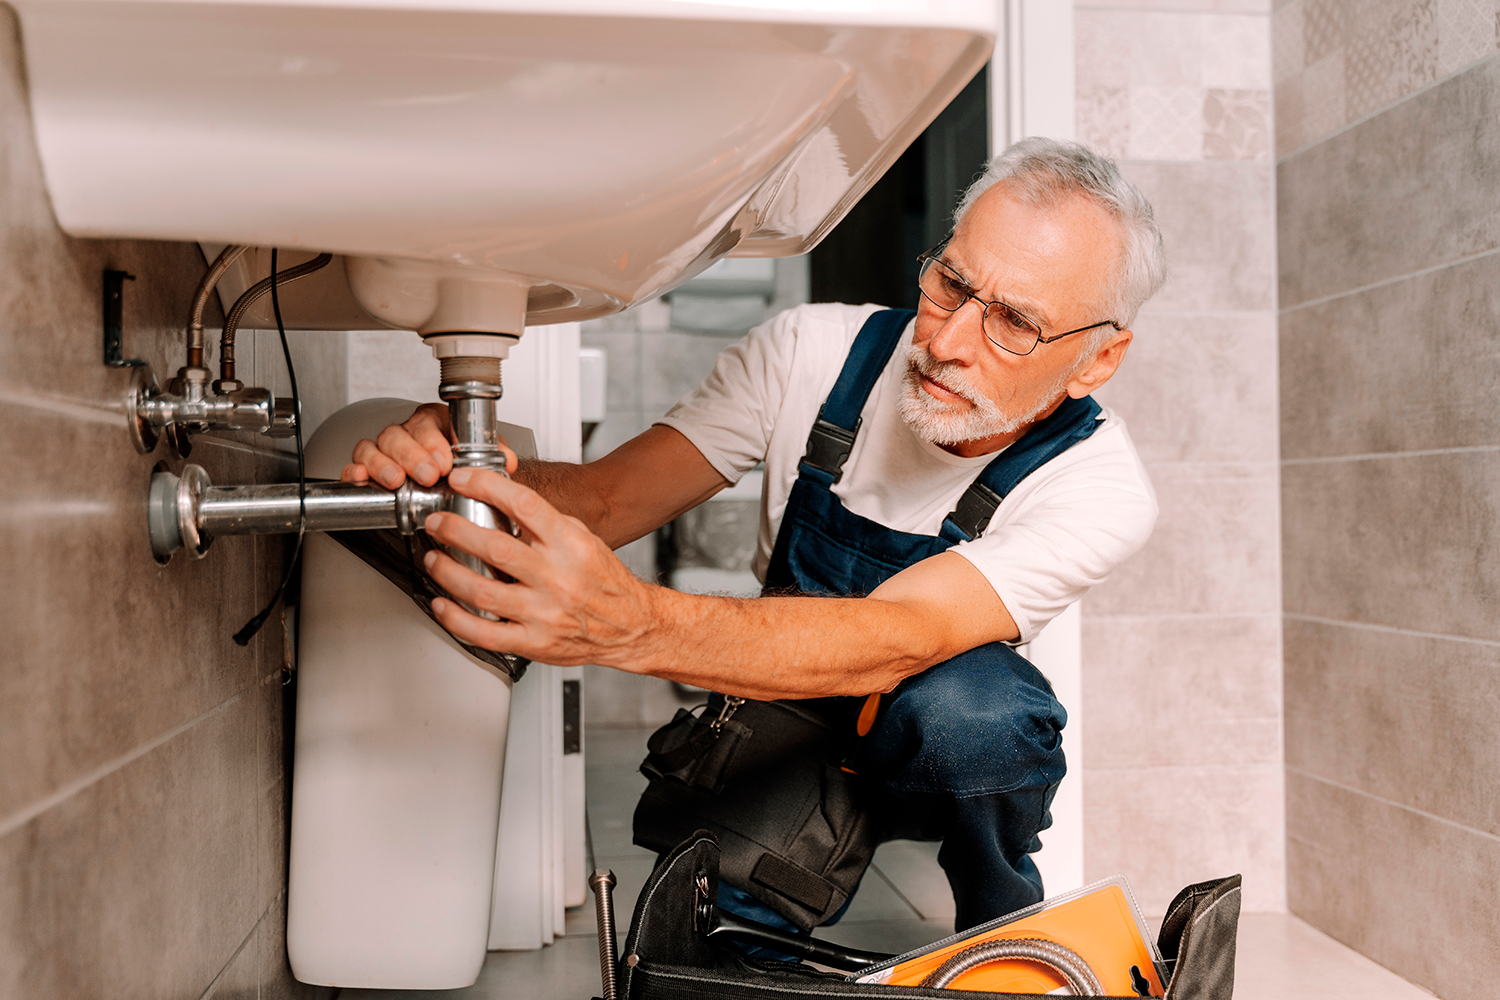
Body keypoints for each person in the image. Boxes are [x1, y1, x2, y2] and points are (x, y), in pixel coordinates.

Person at [343, 137, 1165, 932]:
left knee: (978, 713)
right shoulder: (809, 353)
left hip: (926, 734)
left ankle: (1003, 924)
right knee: (721, 942)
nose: (945, 343)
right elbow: (603, 499)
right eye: (950, 283)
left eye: (1014, 323)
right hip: (783, 702)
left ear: (1097, 359)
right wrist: (465, 467)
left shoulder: (1100, 486)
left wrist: (633, 623)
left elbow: (901, 634)